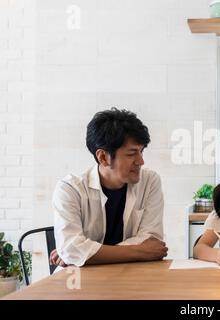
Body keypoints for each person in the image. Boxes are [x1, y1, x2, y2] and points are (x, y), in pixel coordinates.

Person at [50, 108, 168, 267]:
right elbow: (71, 249)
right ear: (103, 157)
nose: (141, 161)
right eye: (132, 153)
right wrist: (139, 251)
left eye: (141, 151)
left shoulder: (150, 181)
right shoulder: (70, 189)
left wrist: (84, 254)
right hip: (80, 281)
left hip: (131, 275)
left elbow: (152, 241)